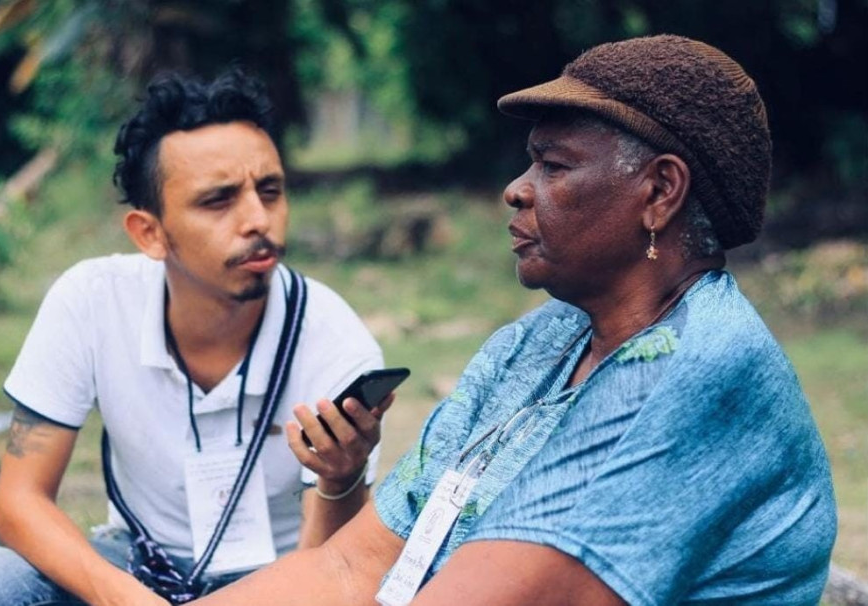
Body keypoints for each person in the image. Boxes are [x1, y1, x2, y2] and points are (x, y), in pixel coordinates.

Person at [192, 35, 837, 606]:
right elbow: (351, 565)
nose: (517, 188)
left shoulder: (693, 372)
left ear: (660, 192)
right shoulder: (536, 343)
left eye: (554, 167)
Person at [0, 66, 389, 605]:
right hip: (136, 563)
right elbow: (18, 499)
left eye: (270, 191)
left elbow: (328, 572)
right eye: (218, 200)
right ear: (149, 233)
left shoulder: (334, 342)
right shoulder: (92, 300)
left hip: (279, 578)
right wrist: (120, 596)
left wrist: (341, 480)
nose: (257, 219)